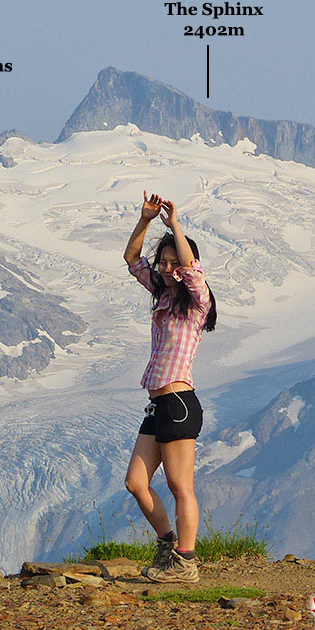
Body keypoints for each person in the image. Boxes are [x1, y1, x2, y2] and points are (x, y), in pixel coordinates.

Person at [122, 191, 217, 583]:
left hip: (179, 401)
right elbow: (132, 260)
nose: (164, 268)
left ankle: (187, 562)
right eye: (162, 263)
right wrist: (145, 220)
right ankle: (167, 545)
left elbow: (193, 270)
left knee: (180, 485)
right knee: (136, 483)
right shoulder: (161, 296)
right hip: (158, 405)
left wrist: (174, 225)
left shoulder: (197, 304)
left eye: (170, 263)